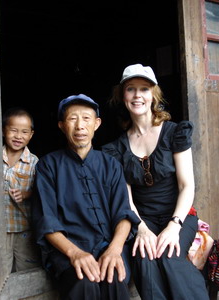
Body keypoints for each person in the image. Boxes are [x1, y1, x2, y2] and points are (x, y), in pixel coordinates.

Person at [102, 64, 209, 300]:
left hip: (179, 215)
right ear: (123, 96)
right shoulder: (117, 147)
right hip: (143, 219)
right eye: (131, 89)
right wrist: (140, 228)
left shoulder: (173, 132)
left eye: (144, 89)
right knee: (144, 260)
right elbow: (126, 196)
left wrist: (174, 225)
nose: (137, 95)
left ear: (153, 95)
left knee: (170, 255)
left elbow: (186, 185)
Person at [31, 94, 140, 300]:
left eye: (86, 119)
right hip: (68, 250)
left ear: (97, 124)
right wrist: (75, 253)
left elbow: (124, 214)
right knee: (84, 282)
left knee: (114, 279)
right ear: (62, 125)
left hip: (109, 246)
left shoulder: (111, 165)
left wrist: (115, 250)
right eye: (73, 119)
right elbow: (46, 221)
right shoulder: (48, 166)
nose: (80, 126)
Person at [2, 107, 41, 272]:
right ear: (4, 131)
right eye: (13, 131)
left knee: (27, 271)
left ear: (31, 135)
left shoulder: (34, 162)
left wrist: (26, 194)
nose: (19, 136)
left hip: (24, 230)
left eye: (24, 132)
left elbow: (41, 193)